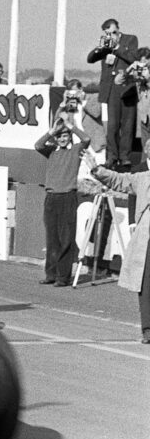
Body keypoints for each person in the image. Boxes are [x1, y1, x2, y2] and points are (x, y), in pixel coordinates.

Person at [83, 144, 150, 344]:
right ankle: (148, 329)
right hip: (146, 241)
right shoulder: (142, 178)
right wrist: (97, 170)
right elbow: (118, 180)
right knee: (146, 285)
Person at [34, 118, 91, 286]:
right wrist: (52, 131)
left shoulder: (75, 150)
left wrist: (70, 126)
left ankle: (63, 277)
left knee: (66, 238)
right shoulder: (51, 151)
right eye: (59, 136)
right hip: (51, 198)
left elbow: (87, 139)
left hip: (67, 197)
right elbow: (38, 145)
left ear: (70, 137)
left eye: (65, 136)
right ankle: (50, 274)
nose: (62, 139)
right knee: (52, 239)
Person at [86, 18, 139, 169]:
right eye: (108, 33)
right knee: (112, 126)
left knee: (128, 125)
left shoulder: (130, 40)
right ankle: (112, 157)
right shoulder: (105, 45)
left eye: (113, 32)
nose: (111, 36)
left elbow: (133, 58)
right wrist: (100, 48)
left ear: (118, 30)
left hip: (127, 88)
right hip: (111, 91)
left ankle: (125, 157)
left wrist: (117, 48)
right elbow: (90, 59)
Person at [117, 48, 150, 157]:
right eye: (142, 63)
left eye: (146, 63)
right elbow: (118, 81)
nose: (143, 66)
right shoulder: (138, 75)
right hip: (145, 118)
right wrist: (129, 69)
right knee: (146, 150)